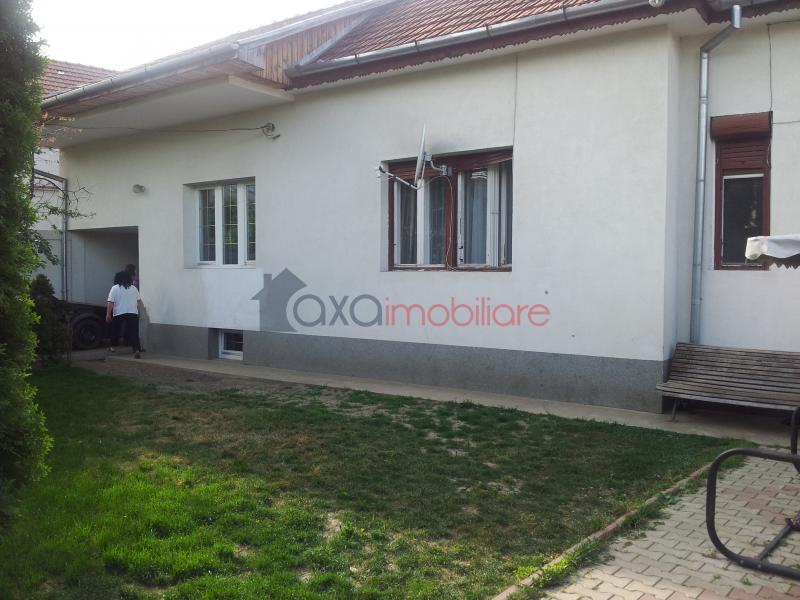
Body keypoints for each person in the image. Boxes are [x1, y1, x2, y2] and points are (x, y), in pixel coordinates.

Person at [106, 269, 144, 358]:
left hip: (119, 312)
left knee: (116, 330)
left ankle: (112, 347)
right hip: (132, 313)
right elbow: (139, 302)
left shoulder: (115, 288)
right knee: (133, 332)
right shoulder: (134, 288)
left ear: (117, 278)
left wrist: (108, 314)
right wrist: (141, 312)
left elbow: (110, 302)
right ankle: (136, 349)